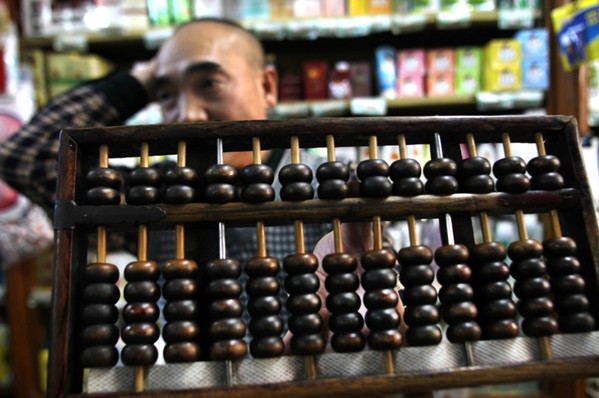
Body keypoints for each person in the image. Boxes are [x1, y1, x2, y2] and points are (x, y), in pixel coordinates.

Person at [0, 17, 404, 354]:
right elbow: (25, 160)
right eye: (165, 94)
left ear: (267, 86)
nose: (186, 114)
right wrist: (137, 81)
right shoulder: (153, 189)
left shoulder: (335, 186)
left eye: (209, 83)